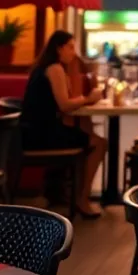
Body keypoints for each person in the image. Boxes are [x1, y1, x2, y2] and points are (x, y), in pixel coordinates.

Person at [19, 30, 107, 218]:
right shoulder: (54, 68)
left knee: (86, 139)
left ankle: (71, 194)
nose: (73, 53)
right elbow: (65, 105)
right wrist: (88, 98)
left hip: (31, 132)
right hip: (41, 135)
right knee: (99, 144)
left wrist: (84, 99)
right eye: (70, 47)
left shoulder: (45, 68)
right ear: (58, 48)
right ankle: (82, 199)